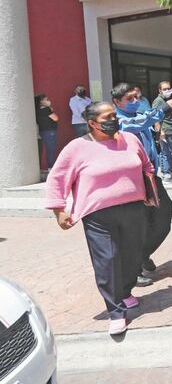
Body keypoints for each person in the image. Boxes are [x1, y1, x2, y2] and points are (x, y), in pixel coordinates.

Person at [44, 102, 154, 336]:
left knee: (133, 255)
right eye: (107, 116)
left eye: (114, 115)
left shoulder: (129, 139)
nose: (113, 119)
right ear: (92, 123)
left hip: (134, 208)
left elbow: (146, 165)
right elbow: (57, 178)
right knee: (108, 259)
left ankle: (125, 291)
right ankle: (115, 311)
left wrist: (151, 190)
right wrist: (58, 209)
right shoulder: (76, 148)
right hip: (97, 214)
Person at [112, 82, 172, 286]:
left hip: (150, 175)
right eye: (130, 99)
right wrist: (164, 108)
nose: (136, 102)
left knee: (163, 215)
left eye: (137, 97)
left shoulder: (138, 115)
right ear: (117, 102)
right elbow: (138, 124)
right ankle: (133, 269)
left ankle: (141, 255)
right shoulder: (118, 120)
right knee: (138, 225)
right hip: (132, 180)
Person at [152, 81, 172, 181]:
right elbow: (155, 116)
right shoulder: (158, 101)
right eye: (164, 89)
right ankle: (167, 173)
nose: (167, 91)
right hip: (166, 130)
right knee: (168, 152)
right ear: (160, 90)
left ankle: (169, 172)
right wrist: (160, 132)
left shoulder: (169, 99)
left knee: (167, 152)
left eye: (168, 88)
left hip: (171, 128)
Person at [35, 93, 59, 170]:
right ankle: (51, 167)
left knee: (47, 150)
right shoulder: (46, 109)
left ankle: (49, 167)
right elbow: (56, 118)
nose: (48, 101)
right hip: (50, 131)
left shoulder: (36, 110)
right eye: (46, 99)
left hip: (42, 131)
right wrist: (50, 108)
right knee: (51, 150)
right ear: (42, 101)